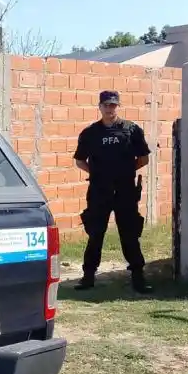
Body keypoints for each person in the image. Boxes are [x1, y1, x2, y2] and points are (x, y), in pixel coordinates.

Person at [71, 90, 153, 293]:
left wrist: (124, 172)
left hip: (125, 189)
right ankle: (88, 276)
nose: (110, 109)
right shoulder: (90, 133)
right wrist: (99, 174)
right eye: (106, 105)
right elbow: (80, 160)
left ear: (118, 106)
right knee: (95, 232)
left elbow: (143, 158)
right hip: (100, 190)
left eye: (113, 105)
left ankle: (138, 277)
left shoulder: (132, 130)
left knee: (129, 233)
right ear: (99, 107)